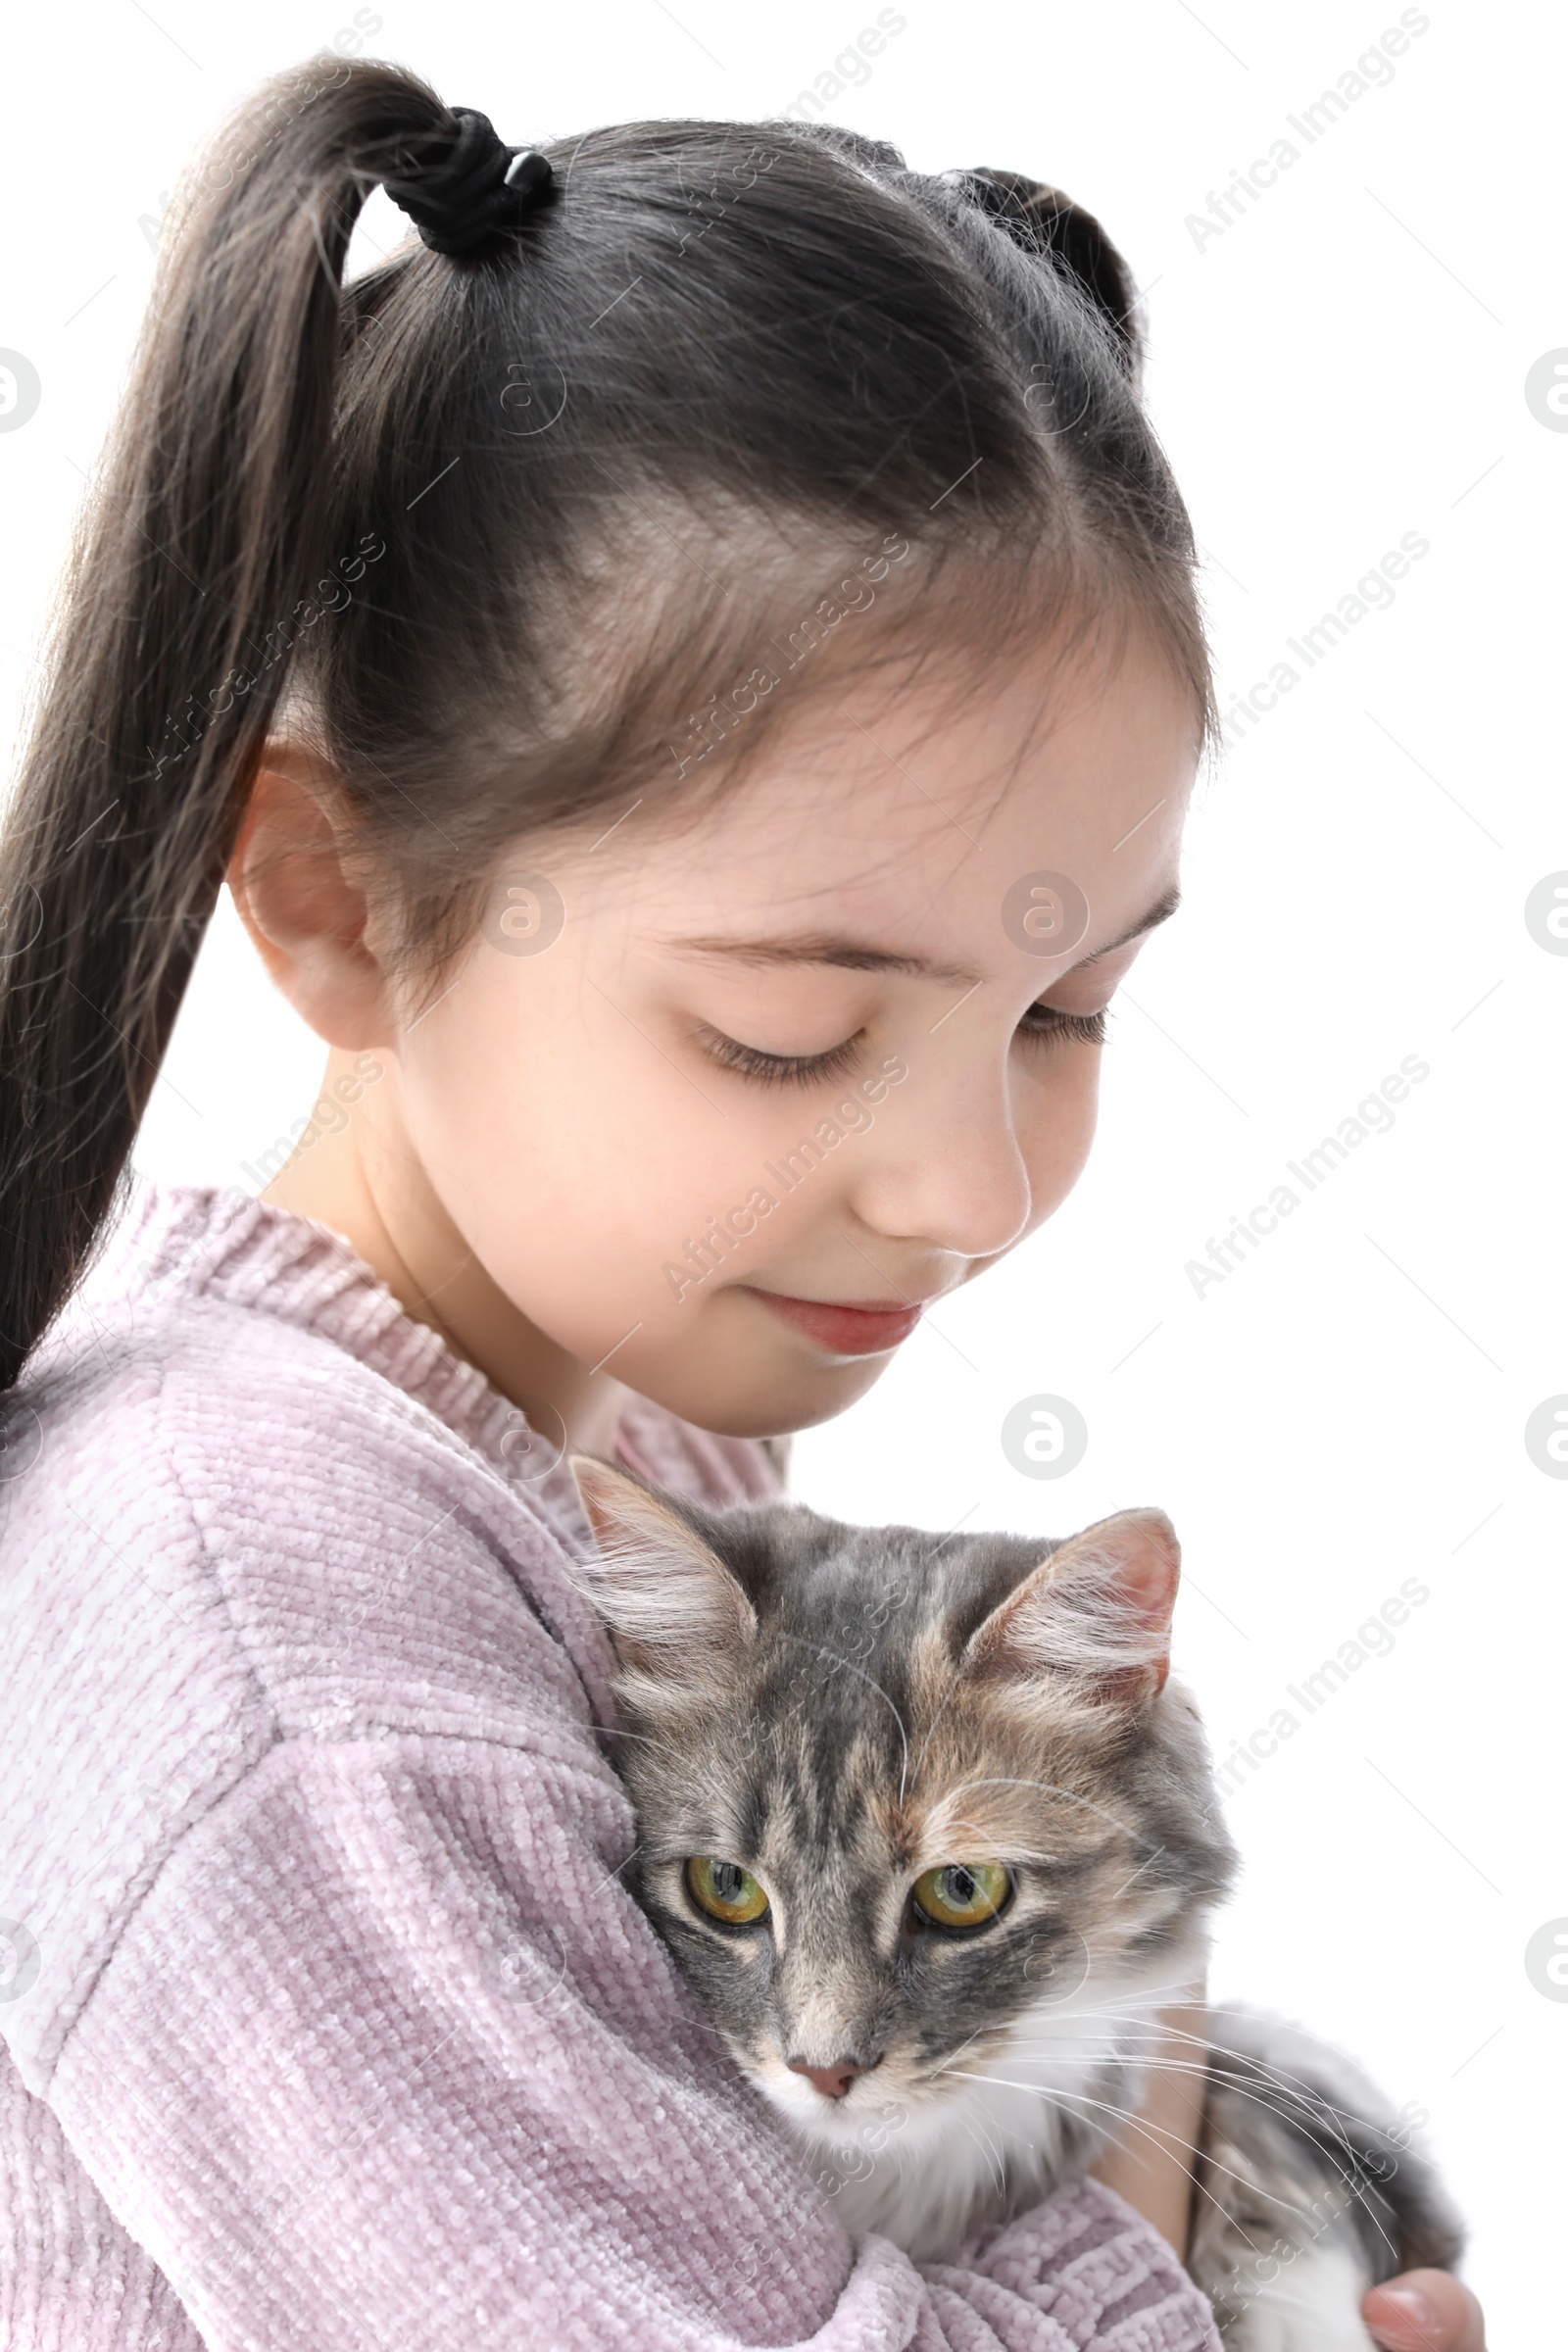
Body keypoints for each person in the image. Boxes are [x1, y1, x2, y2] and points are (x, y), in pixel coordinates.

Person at [0, 54, 1484, 2352]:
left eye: (1065, 1009)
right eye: (787, 1035)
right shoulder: (280, 1652)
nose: (971, 1190)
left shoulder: (629, 1460)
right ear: (327, 896)